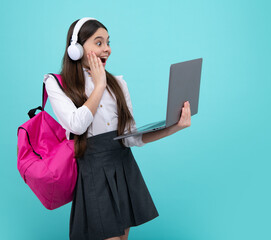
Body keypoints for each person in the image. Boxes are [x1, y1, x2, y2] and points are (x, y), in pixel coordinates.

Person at [43, 17, 191, 240]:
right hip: (93, 169)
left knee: (122, 237)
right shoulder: (56, 83)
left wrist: (173, 127)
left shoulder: (119, 83)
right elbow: (76, 124)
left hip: (122, 164)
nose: (108, 49)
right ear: (75, 49)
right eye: (99, 43)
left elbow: (130, 137)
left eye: (108, 42)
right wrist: (99, 85)